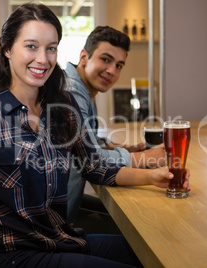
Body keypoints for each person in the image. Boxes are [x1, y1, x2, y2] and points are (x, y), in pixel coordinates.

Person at [0, 3, 190, 268]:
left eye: (51, 48)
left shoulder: (63, 107)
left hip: (61, 241)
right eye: (31, 46)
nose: (43, 59)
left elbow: (97, 168)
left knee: (161, 253)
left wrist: (155, 177)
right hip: (16, 255)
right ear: (7, 49)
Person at [65, 26, 169, 224]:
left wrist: (117, 149)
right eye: (105, 59)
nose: (112, 71)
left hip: (67, 213)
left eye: (119, 65)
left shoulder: (82, 88)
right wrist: (143, 157)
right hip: (58, 227)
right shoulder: (72, 91)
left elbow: (82, 144)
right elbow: (92, 163)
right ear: (84, 57)